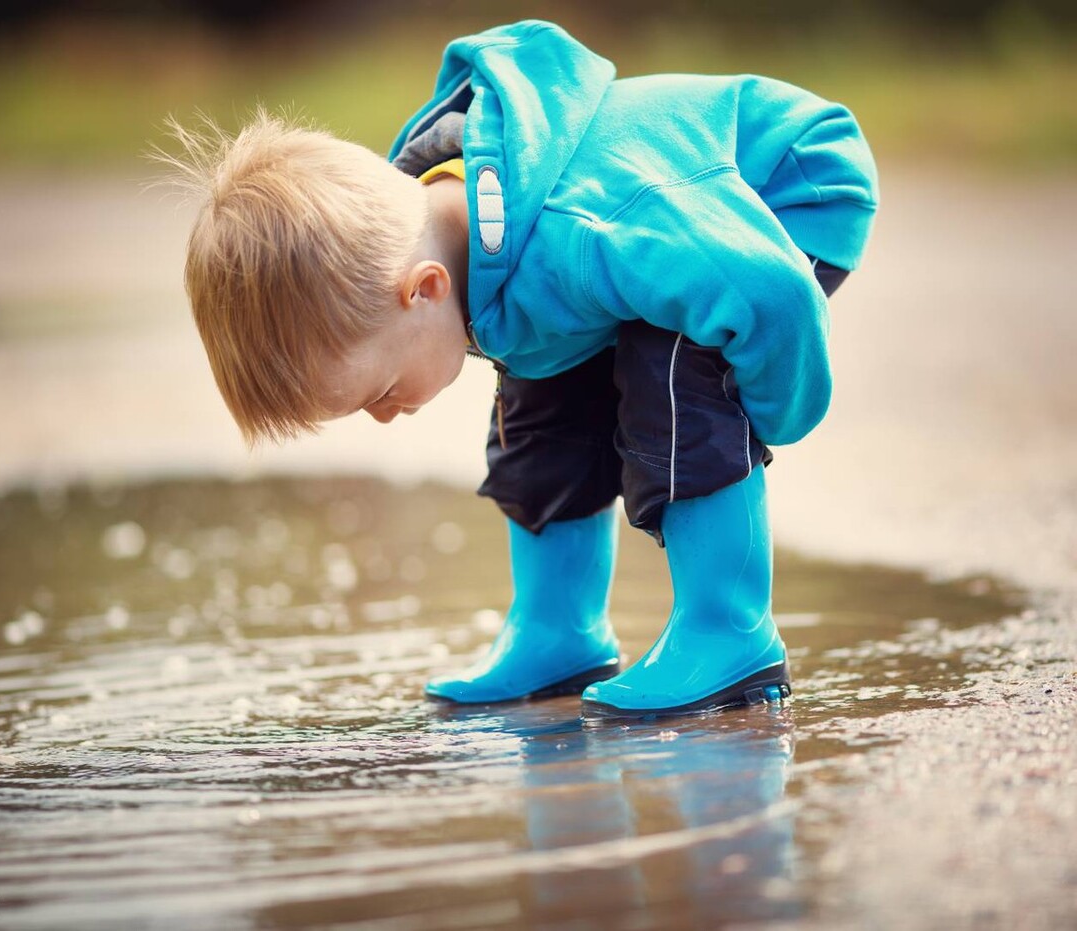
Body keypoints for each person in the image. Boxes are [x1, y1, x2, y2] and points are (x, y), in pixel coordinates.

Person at [165, 20, 878, 717]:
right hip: (664, 247)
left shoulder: (583, 229)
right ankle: (556, 631)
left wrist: (778, 408)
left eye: (377, 393)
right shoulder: (459, 245)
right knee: (541, 399)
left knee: (678, 372)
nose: (385, 414)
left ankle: (729, 633)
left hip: (782, 185)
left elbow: (767, 291)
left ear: (425, 290)